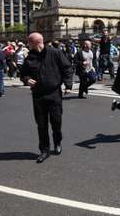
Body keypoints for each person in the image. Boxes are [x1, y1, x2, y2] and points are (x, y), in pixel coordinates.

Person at [19, 32, 73, 163]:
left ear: (35, 43)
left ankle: (57, 142)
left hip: (54, 93)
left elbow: (67, 68)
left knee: (56, 122)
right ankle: (44, 150)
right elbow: (23, 74)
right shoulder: (30, 57)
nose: (28, 45)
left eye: (29, 43)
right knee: (41, 125)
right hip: (38, 95)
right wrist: (26, 79)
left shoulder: (55, 53)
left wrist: (68, 84)